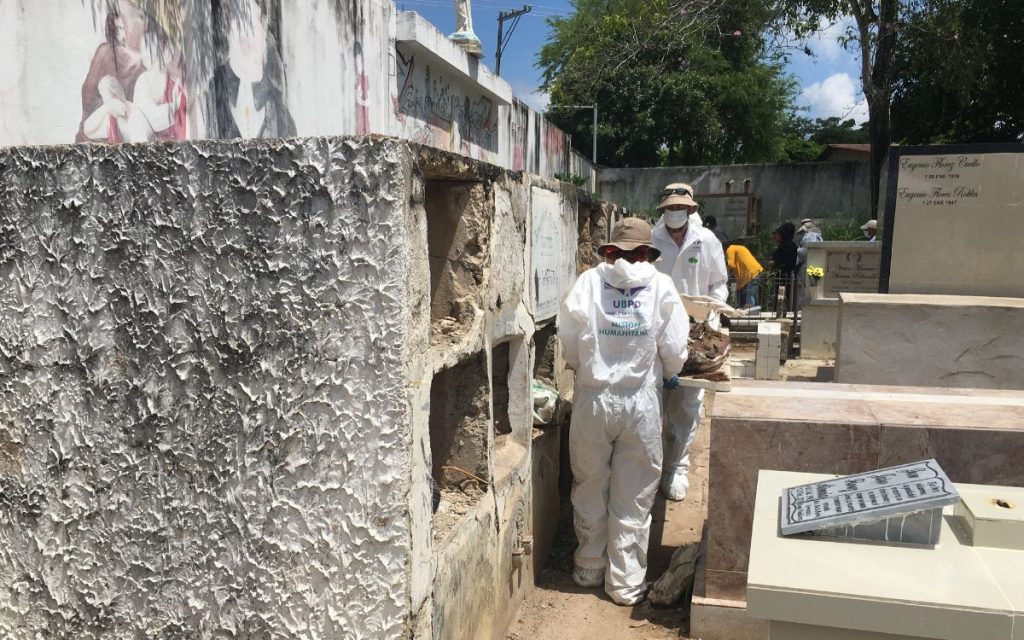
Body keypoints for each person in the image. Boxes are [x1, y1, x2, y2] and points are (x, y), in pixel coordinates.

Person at [558, 218, 688, 606]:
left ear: (611, 248)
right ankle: (625, 583)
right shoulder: (661, 286)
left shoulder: (589, 282)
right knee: (634, 494)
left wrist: (582, 367)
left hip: (592, 399)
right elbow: (675, 347)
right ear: (648, 252)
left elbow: (568, 337)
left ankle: (589, 567)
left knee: (589, 482)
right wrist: (671, 371)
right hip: (640, 404)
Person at [651, 183, 728, 502]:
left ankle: (677, 468)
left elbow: (719, 283)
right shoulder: (652, 240)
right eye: (669, 208)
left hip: (697, 330)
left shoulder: (706, 241)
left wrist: (711, 312)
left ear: (692, 210)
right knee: (655, 399)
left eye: (679, 208)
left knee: (689, 401)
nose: (674, 213)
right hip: (658, 328)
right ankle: (652, 467)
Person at [769, 222, 799, 312]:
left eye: (778, 234)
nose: (775, 236)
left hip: (786, 277)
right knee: (778, 298)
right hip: (779, 277)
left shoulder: (790, 246)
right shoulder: (781, 246)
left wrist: (775, 263)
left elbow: (787, 260)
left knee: (784, 299)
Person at [725, 242, 763, 308]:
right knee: (743, 291)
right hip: (754, 270)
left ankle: (750, 312)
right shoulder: (740, 247)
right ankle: (744, 309)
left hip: (749, 273)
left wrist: (726, 274)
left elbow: (730, 264)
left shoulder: (730, 249)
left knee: (749, 293)